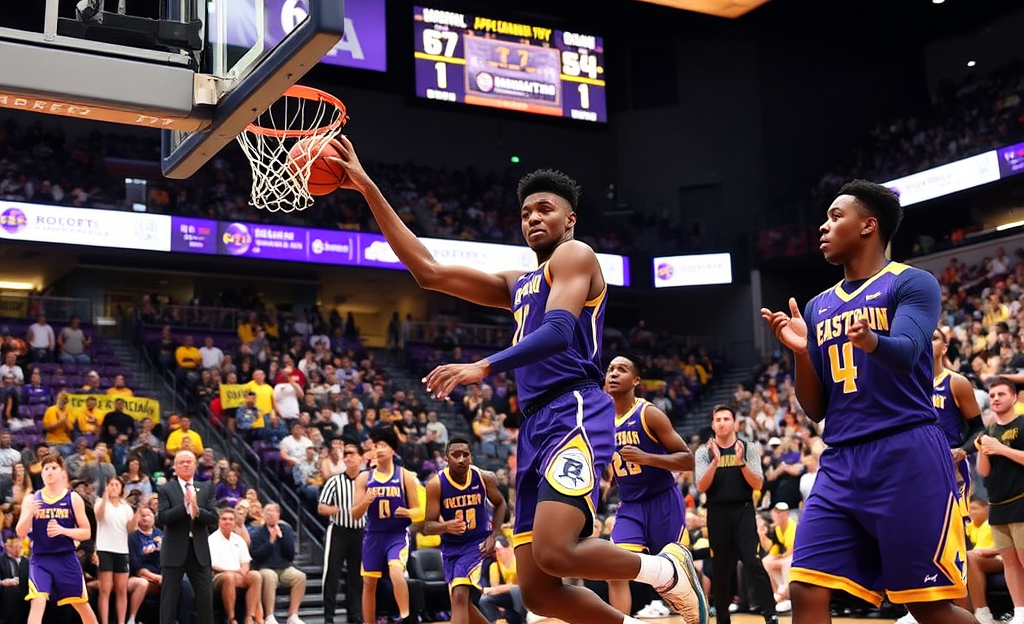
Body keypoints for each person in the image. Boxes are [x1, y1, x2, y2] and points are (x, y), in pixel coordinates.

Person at [330, 134, 706, 624]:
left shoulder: (576, 257)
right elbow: (427, 272)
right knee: (540, 594)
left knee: (558, 551)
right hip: (533, 426)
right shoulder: (518, 282)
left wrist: (483, 366)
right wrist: (367, 188)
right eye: (526, 211)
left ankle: (668, 572)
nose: (533, 217)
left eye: (545, 209)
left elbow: (557, 331)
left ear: (569, 219)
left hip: (573, 410)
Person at [760, 180, 972, 624]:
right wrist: (800, 354)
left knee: (928, 607)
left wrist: (871, 338)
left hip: (906, 452)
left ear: (868, 226)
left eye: (836, 216)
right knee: (805, 587)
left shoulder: (912, 282)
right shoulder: (818, 307)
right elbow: (815, 408)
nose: (823, 225)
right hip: (840, 461)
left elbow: (910, 350)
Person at [895, 329, 986, 624]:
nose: (928, 341)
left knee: (957, 546)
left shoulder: (955, 383)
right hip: (916, 472)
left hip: (951, 472)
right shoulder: (909, 384)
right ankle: (923, 608)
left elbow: (978, 429)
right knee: (920, 541)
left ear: (945, 347)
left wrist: (962, 450)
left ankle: (977, 611)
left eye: (934, 337)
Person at [603, 354, 695, 619]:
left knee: (675, 577)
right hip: (630, 504)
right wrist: (611, 478)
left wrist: (646, 458)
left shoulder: (649, 413)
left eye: (622, 369)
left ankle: (695, 611)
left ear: (636, 379)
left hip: (662, 501)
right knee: (615, 571)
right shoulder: (602, 420)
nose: (614, 374)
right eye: (610, 369)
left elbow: (687, 459)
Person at [694, 405, 778, 624]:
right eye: (717, 419)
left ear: (735, 424)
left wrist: (741, 462)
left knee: (753, 561)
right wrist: (714, 462)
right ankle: (723, 619)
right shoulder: (703, 452)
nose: (721, 422)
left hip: (743, 510)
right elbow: (701, 486)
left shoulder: (748, 448)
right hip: (717, 512)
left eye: (726, 418)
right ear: (713, 425)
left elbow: (758, 483)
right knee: (720, 568)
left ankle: (771, 615)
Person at [422, 436, 509, 624]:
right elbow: (427, 526)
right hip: (451, 548)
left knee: (460, 594)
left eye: (465, 455)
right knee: (461, 603)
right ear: (446, 458)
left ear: (471, 457)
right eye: (455, 455)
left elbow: (501, 504)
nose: (461, 459)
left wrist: (494, 535)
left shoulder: (484, 477)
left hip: (477, 544)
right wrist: (445, 526)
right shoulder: (436, 484)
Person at [16, 452, 100, 624]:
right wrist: (30, 514)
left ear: (62, 472)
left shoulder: (73, 498)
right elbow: (20, 532)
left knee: (81, 604)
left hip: (66, 558)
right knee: (37, 601)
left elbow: (86, 532)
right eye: (46, 468)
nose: (49, 471)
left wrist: (64, 530)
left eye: (54, 467)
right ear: (42, 473)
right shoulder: (32, 499)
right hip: (40, 559)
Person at [350, 426, 421, 624]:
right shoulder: (364, 478)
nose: (379, 449)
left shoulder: (405, 475)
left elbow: (419, 510)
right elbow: (355, 514)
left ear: (393, 450)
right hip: (373, 534)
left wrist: (408, 512)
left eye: (383, 445)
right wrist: (366, 501)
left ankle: (406, 616)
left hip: (396, 534)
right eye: (376, 446)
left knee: (396, 570)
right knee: (369, 582)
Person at [976, 377, 1024, 624]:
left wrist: (1001, 448)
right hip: (997, 504)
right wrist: (984, 449)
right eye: (992, 395)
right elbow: (983, 471)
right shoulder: (989, 431)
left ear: (1014, 397)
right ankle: (1020, 613)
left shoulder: (1023, 423)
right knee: (1010, 563)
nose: (995, 398)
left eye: (1001, 394)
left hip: (1021, 502)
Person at [158, 449, 219, 624]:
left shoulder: (206, 487)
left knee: (205, 599)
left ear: (195, 465)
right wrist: (184, 507)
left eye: (189, 461)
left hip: (199, 550)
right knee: (169, 600)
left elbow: (214, 518)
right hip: (174, 551)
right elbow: (163, 518)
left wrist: (197, 511)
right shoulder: (165, 489)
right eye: (181, 462)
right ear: (175, 467)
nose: (185, 464)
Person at [318, 440, 366, 624]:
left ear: (361, 458)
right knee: (332, 575)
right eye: (346, 454)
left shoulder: (368, 481)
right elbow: (322, 507)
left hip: (360, 533)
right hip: (338, 532)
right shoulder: (334, 481)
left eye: (352, 453)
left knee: (357, 577)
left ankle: (354, 616)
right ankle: (328, 617)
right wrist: (338, 510)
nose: (348, 457)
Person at [129, 505, 197, 624]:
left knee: (185, 582)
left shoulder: (160, 534)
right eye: (142, 515)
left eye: (148, 515)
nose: (145, 518)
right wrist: (155, 577)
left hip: (164, 572)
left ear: (154, 518)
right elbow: (137, 567)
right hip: (145, 575)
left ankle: (182, 619)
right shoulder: (133, 538)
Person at [95, 476, 144, 624]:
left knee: (121, 589)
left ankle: (122, 622)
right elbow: (99, 515)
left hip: (122, 551)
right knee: (105, 590)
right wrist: (104, 496)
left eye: (116, 484)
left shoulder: (126, 508)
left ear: (122, 488)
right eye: (110, 484)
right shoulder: (100, 503)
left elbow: (130, 529)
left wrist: (137, 513)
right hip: (104, 549)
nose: (113, 487)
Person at [250, 503, 307, 624]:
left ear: (278, 515)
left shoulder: (286, 530)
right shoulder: (257, 533)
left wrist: (282, 538)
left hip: (284, 567)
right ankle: (269, 616)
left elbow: (290, 554)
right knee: (270, 576)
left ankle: (293, 615)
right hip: (265, 567)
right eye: (268, 512)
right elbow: (256, 555)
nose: (270, 514)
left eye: (273, 512)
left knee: (300, 576)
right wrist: (271, 542)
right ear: (264, 515)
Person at [209, 507, 264, 624]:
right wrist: (236, 572)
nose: (228, 521)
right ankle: (231, 618)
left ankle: (250, 617)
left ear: (234, 522)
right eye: (224, 519)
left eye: (230, 519)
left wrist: (242, 572)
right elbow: (214, 565)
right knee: (229, 577)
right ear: (219, 521)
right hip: (220, 576)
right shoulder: (211, 540)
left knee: (256, 575)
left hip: (239, 574)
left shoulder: (239, 540)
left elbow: (245, 562)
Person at [962, 496, 1002, 624]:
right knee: (959, 560)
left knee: (968, 557)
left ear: (987, 508)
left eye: (975, 508)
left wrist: (988, 552)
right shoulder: (973, 526)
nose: (971, 512)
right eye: (969, 509)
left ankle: (982, 612)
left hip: (1003, 557)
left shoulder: (992, 522)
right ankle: (963, 614)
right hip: (979, 558)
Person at [0, 535, 28, 624]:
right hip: (7, 598)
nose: (18, 550)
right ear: (7, 547)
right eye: (15, 547)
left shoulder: (26, 561)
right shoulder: (1, 560)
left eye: (20, 547)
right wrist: (3, 582)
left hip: (24, 596)